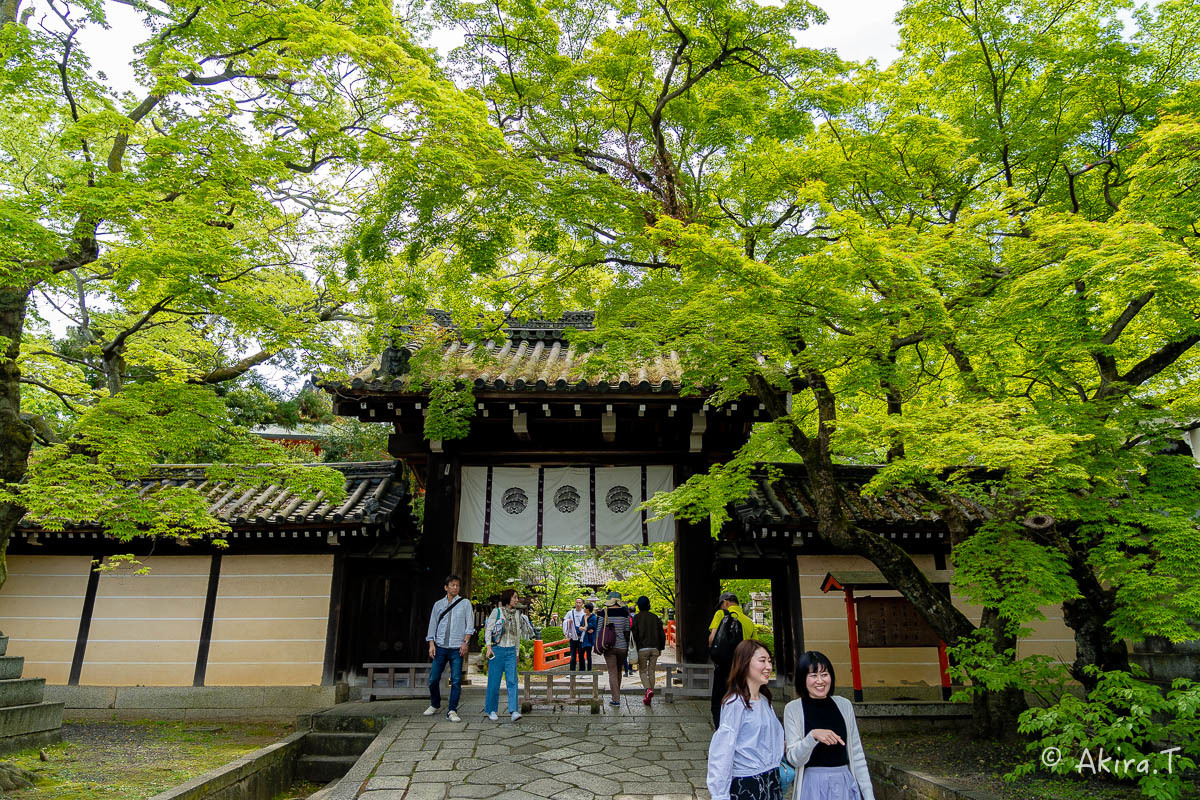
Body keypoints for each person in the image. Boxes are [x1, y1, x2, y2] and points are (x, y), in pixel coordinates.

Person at [783, 651, 876, 800]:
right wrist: (812, 736)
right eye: (813, 676)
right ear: (803, 679)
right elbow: (794, 758)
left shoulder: (844, 705)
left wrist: (869, 795)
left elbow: (857, 754)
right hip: (812, 786)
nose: (820, 681)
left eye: (824, 674)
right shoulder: (793, 709)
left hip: (844, 782)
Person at [706, 640, 784, 800]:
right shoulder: (735, 703)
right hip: (748, 783)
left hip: (771, 780)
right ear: (745, 663)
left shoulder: (764, 700)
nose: (768, 666)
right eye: (762, 661)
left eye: (770, 661)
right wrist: (719, 794)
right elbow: (722, 751)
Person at [423, 574, 474, 722]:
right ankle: (435, 703)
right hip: (440, 647)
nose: (455, 587)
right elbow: (432, 626)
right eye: (452, 585)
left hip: (457, 647)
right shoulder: (438, 605)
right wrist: (431, 644)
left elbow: (469, 626)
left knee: (456, 680)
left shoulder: (465, 604)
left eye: (457, 585)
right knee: (433, 679)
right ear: (446, 587)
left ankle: (452, 710)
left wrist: (465, 642)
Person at [484, 588, 535, 722]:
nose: (516, 600)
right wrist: (488, 647)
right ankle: (492, 710)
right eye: (514, 597)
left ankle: (513, 710)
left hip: (511, 651)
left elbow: (517, 636)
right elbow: (488, 630)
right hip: (497, 650)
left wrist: (517, 653)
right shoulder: (497, 611)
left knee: (512, 681)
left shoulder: (517, 614)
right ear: (508, 598)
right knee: (494, 682)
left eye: (517, 597)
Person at [709, 591, 758, 728]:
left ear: (725, 602)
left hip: (724, 666)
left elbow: (712, 638)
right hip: (743, 667)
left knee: (719, 702)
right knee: (741, 699)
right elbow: (755, 646)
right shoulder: (748, 622)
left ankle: (722, 730)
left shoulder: (720, 615)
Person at [596, 591, 633, 706]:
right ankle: (617, 696)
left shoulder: (604, 612)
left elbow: (599, 630)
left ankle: (616, 699)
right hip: (622, 647)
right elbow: (627, 630)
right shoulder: (625, 612)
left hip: (609, 646)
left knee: (612, 672)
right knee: (618, 671)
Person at [631, 595, 666, 704]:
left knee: (642, 671)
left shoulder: (636, 618)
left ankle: (648, 690)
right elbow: (662, 634)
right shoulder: (655, 617)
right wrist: (661, 647)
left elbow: (634, 634)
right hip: (655, 648)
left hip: (642, 648)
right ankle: (649, 696)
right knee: (651, 671)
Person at [562, 598, 588, 671]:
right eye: (576, 602)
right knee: (573, 655)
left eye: (579, 602)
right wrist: (568, 622)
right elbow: (564, 621)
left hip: (582, 636)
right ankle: (572, 671)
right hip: (573, 636)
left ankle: (582, 671)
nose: (578, 604)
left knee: (581, 655)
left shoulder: (584, 613)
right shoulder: (570, 613)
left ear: (582, 603)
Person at [577, 602, 597, 671]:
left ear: (588, 609)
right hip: (582, 639)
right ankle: (581, 670)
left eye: (585, 608)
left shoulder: (593, 617)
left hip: (589, 639)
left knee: (588, 656)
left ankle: (589, 671)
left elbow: (587, 627)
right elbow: (580, 627)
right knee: (580, 655)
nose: (584, 609)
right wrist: (584, 628)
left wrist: (585, 621)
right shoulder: (583, 616)